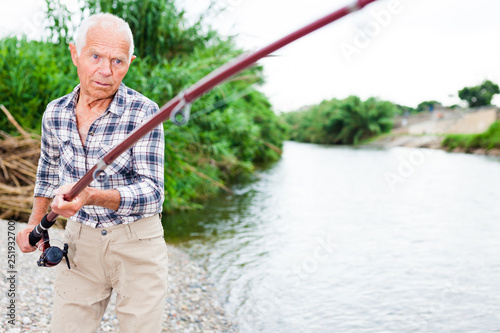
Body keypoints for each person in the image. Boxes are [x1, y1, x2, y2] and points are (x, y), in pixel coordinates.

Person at [16, 13, 168, 332]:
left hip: (137, 241)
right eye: (95, 56)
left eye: (118, 61)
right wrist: (33, 225)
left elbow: (153, 194)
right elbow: (47, 176)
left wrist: (91, 196)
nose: (105, 71)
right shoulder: (55, 113)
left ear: (130, 62)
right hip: (79, 241)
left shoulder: (145, 112)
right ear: (75, 53)